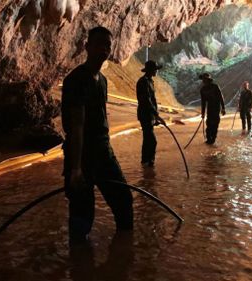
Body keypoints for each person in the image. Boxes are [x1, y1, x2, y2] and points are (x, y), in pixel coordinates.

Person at [62, 26, 133, 242]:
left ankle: (124, 259)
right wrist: (75, 169)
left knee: (123, 200)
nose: (104, 49)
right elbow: (77, 125)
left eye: (108, 45)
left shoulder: (102, 81)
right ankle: (79, 263)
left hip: (103, 151)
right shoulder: (76, 80)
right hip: (83, 154)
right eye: (99, 44)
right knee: (82, 213)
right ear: (87, 47)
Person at [136, 60, 165, 167]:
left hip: (149, 115)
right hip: (145, 114)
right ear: (151, 70)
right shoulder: (143, 82)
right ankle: (149, 162)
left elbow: (152, 100)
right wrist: (157, 115)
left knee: (148, 138)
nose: (157, 71)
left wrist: (155, 117)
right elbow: (146, 101)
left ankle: (145, 162)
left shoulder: (149, 81)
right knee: (152, 140)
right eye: (156, 69)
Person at [199, 73, 226, 144]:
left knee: (215, 124)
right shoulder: (202, 90)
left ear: (209, 80)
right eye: (203, 80)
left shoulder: (215, 86)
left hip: (217, 108)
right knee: (209, 124)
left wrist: (223, 108)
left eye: (205, 79)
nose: (204, 81)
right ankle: (208, 139)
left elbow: (221, 97)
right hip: (210, 108)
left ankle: (213, 139)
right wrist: (202, 113)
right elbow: (203, 102)